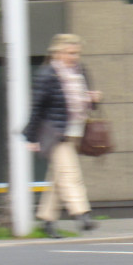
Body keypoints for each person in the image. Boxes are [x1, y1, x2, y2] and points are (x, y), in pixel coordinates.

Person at [23, 33, 103, 235]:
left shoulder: (80, 71)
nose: (74, 57)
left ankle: (47, 221)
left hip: (76, 130)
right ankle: (82, 215)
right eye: (70, 53)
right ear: (58, 53)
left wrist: (93, 99)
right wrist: (30, 136)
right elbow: (37, 108)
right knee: (70, 174)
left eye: (77, 53)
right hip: (55, 133)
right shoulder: (46, 74)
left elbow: (87, 101)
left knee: (59, 178)